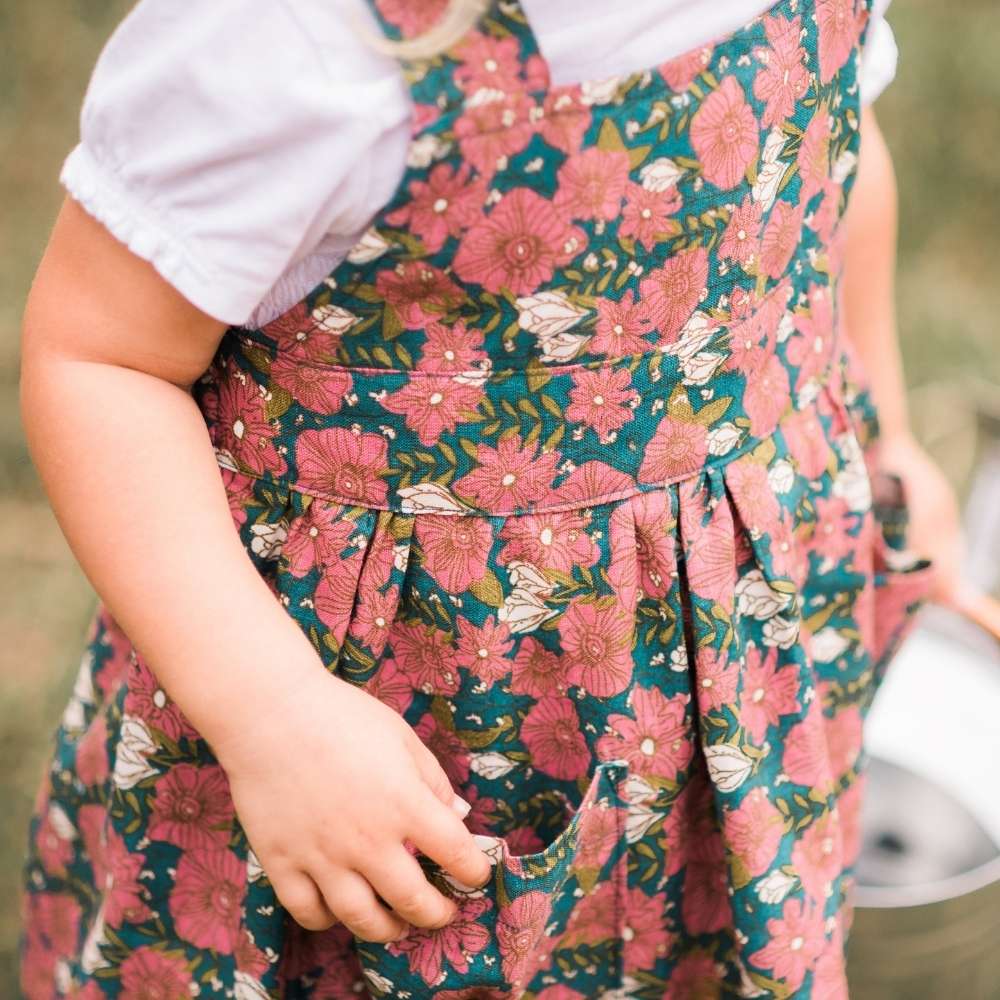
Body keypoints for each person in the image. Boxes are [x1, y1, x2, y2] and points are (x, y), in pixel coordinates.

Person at [18, 0, 961, 996]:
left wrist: (882, 434)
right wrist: (274, 716)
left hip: (745, 645)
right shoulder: (291, 42)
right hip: (388, 712)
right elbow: (100, 357)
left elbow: (827, 168)